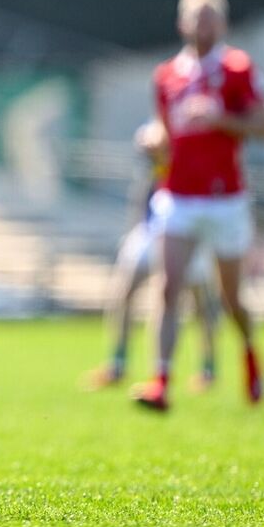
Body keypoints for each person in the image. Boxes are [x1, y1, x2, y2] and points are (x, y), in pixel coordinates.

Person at [132, 0, 264, 412]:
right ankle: (161, 381)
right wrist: (151, 138)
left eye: (211, 19)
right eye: (197, 19)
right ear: (182, 24)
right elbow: (164, 129)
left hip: (224, 199)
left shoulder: (238, 68)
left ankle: (249, 349)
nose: (204, 27)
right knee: (168, 288)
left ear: (223, 24)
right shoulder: (167, 75)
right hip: (178, 194)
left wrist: (221, 119)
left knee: (231, 299)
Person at [84, 119, 219, 390]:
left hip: (188, 229)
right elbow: (147, 139)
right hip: (151, 227)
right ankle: (118, 363)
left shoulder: (201, 137)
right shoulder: (166, 123)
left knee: (200, 302)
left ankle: (207, 368)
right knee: (123, 292)